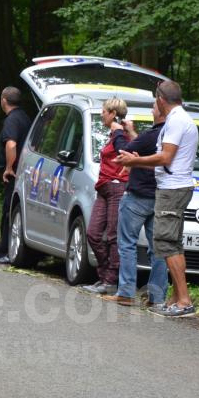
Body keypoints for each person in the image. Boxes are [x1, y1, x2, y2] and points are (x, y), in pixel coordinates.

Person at [116, 80, 199, 317]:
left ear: (161, 100)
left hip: (172, 190)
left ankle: (183, 300)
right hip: (174, 187)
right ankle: (175, 297)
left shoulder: (176, 121)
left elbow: (165, 157)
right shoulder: (181, 119)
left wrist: (134, 161)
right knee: (173, 243)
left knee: (166, 244)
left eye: (155, 100)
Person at [102, 101, 169, 306]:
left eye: (154, 107)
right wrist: (132, 132)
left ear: (161, 112)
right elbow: (142, 147)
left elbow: (123, 154)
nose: (152, 110)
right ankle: (157, 296)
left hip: (138, 195)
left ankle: (126, 292)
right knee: (157, 247)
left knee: (127, 243)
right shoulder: (168, 136)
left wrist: (121, 133)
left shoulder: (151, 135)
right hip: (159, 196)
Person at [80, 98, 131, 293]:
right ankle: (103, 275)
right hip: (103, 188)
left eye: (103, 111)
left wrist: (120, 130)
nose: (101, 114)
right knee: (93, 233)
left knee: (112, 236)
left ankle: (110, 280)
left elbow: (124, 152)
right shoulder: (113, 135)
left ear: (112, 113)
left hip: (117, 187)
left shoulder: (122, 136)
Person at [0, 86, 31, 264]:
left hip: (15, 173)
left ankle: (4, 251)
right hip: (23, 172)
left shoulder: (12, 120)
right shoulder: (24, 117)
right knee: (12, 211)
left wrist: (9, 167)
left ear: (4, 100)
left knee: (8, 212)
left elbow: (11, 144)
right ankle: (8, 249)